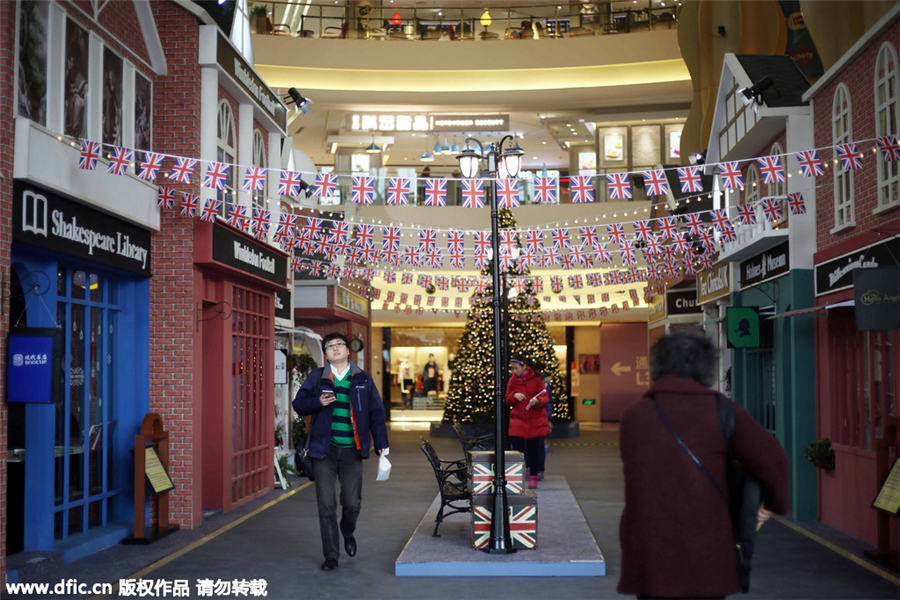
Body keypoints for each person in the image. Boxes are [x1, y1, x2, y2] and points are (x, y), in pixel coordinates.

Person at [618, 329, 790, 599]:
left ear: (658, 364)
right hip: (707, 546)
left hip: (649, 546)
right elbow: (772, 460)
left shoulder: (634, 416)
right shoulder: (723, 411)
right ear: (706, 367)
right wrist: (771, 505)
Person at [292, 333, 389, 571]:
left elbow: (376, 413)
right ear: (325, 354)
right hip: (323, 451)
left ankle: (347, 531)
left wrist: (381, 443)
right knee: (326, 505)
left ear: (348, 351)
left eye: (339, 345)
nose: (334, 349)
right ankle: (331, 555)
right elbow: (298, 404)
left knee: (352, 503)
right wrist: (318, 402)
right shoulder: (317, 377)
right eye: (329, 347)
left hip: (352, 451)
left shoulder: (362, 379)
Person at [504, 357, 551, 489]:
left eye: (516, 368)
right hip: (518, 420)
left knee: (533, 450)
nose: (514, 371)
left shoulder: (536, 380)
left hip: (535, 420)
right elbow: (507, 399)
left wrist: (537, 401)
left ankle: (533, 476)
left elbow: (545, 397)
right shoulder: (512, 380)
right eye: (512, 368)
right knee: (517, 450)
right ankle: (515, 477)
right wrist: (514, 396)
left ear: (524, 367)